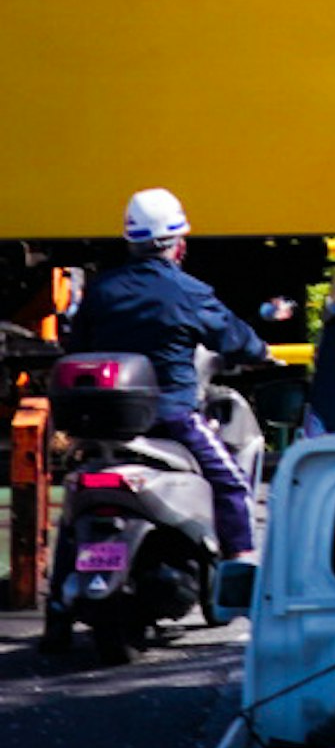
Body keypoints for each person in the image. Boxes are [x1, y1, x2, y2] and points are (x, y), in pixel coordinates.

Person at [62, 188, 270, 565]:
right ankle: (238, 567)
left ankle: (59, 603)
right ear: (178, 244)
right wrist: (262, 353)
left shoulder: (101, 291)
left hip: (106, 425)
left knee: (73, 495)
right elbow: (233, 337)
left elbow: (76, 347)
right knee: (231, 484)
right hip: (171, 415)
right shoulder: (188, 292)